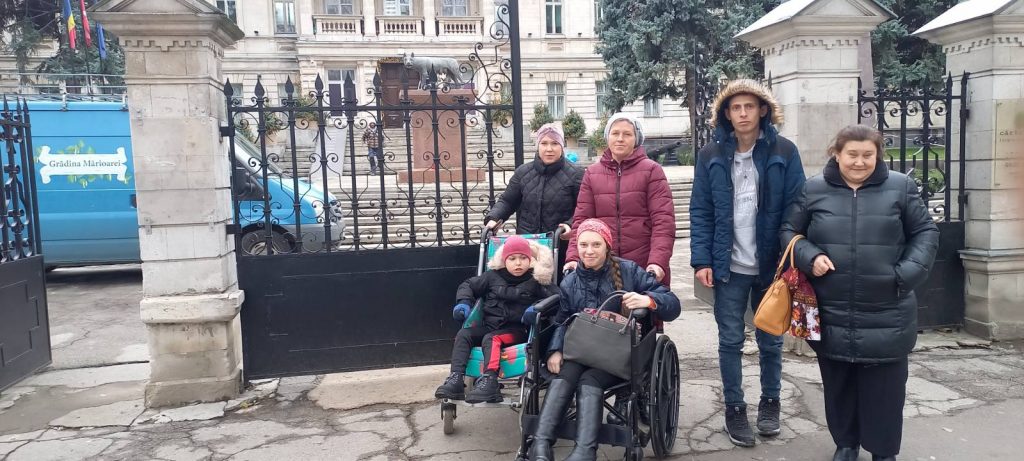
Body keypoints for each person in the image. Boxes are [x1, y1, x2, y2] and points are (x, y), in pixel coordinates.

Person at [780, 125, 938, 461]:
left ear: (878, 154)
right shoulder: (813, 189)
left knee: (885, 389)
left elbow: (925, 232)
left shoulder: (901, 187)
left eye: (868, 155)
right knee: (838, 383)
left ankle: (883, 451)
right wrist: (810, 256)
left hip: (887, 307)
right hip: (831, 307)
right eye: (852, 154)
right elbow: (789, 231)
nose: (859, 162)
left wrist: (905, 274)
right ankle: (846, 444)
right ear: (836, 153)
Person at [689, 78, 806, 446]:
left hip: (771, 265)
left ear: (762, 110)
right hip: (728, 266)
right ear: (726, 113)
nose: (742, 113)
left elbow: (797, 205)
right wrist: (701, 260)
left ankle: (770, 403)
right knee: (730, 341)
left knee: (771, 339)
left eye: (749, 107)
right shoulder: (710, 155)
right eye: (735, 107)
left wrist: (790, 257)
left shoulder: (783, 151)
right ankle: (734, 409)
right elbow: (701, 210)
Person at [527, 218, 680, 461]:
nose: (588, 251)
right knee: (565, 375)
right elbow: (561, 321)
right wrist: (555, 350)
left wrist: (648, 300)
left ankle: (585, 451)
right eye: (584, 245)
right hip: (582, 350)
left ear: (607, 246)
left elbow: (673, 305)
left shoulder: (629, 271)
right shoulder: (570, 281)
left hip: (618, 354)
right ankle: (541, 444)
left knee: (589, 379)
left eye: (596, 244)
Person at [434, 236, 556, 404]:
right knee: (464, 334)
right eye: (512, 259)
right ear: (504, 260)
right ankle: (456, 378)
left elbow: (556, 297)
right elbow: (467, 285)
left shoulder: (535, 280)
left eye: (523, 258)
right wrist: (464, 303)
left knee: (491, 338)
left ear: (531, 259)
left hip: (517, 331)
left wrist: (535, 308)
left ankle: (490, 380)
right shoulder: (491, 277)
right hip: (490, 325)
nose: (518, 263)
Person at [563, 113, 675, 288]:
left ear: (636, 138)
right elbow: (582, 221)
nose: (620, 139)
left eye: (627, 134)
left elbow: (663, 221)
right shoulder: (592, 174)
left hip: (643, 264)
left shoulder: (652, 171)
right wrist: (573, 257)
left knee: (643, 312)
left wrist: (658, 262)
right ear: (607, 137)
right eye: (615, 133)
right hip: (603, 265)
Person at [485, 123, 584, 268]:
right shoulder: (523, 172)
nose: (549, 149)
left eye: (554, 143)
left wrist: (570, 225)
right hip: (528, 245)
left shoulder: (576, 174)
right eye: (544, 143)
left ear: (562, 146)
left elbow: (583, 207)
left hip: (560, 244)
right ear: (538, 145)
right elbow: (507, 201)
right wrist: (493, 218)